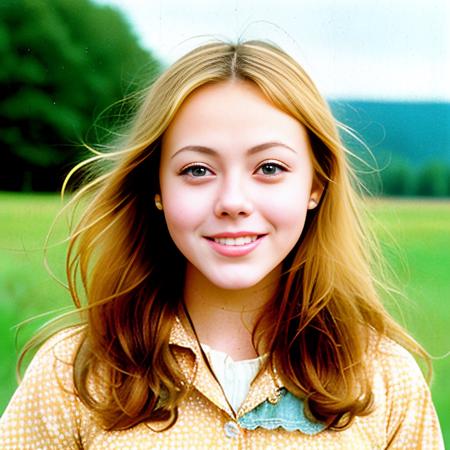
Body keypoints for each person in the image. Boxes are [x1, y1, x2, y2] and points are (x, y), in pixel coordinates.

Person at [0, 40, 444, 449]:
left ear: (316, 184)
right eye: (197, 170)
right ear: (156, 187)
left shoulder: (385, 379)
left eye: (269, 167)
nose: (233, 201)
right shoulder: (72, 375)